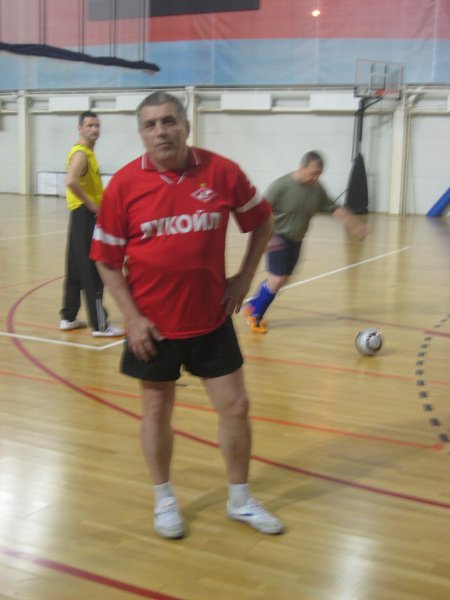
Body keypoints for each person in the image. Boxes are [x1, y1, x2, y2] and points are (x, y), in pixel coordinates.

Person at [90, 91, 284, 539]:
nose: (161, 131)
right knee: (157, 411)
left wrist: (245, 276)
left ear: (186, 126)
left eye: (169, 121)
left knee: (236, 406)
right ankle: (164, 499)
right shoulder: (124, 185)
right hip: (152, 327)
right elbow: (105, 259)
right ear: (142, 134)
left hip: (211, 318)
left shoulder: (221, 171)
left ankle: (240, 499)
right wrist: (131, 317)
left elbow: (262, 220)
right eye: (151, 125)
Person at [244, 151, 368, 333]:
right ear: (302, 167)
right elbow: (260, 213)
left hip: (297, 240)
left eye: (319, 174)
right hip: (277, 238)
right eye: (313, 173)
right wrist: (267, 238)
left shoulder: (316, 189)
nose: (316, 178)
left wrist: (354, 225)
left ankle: (253, 304)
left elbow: (333, 208)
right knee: (277, 280)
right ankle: (256, 317)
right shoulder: (280, 187)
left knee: (283, 280)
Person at [60, 111, 124, 337]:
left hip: (79, 216)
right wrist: (92, 206)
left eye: (96, 125)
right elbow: (70, 181)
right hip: (85, 216)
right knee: (92, 270)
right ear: (80, 128)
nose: (94, 129)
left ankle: (68, 317)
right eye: (89, 125)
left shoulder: (86, 152)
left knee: (75, 269)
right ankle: (100, 325)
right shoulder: (81, 154)